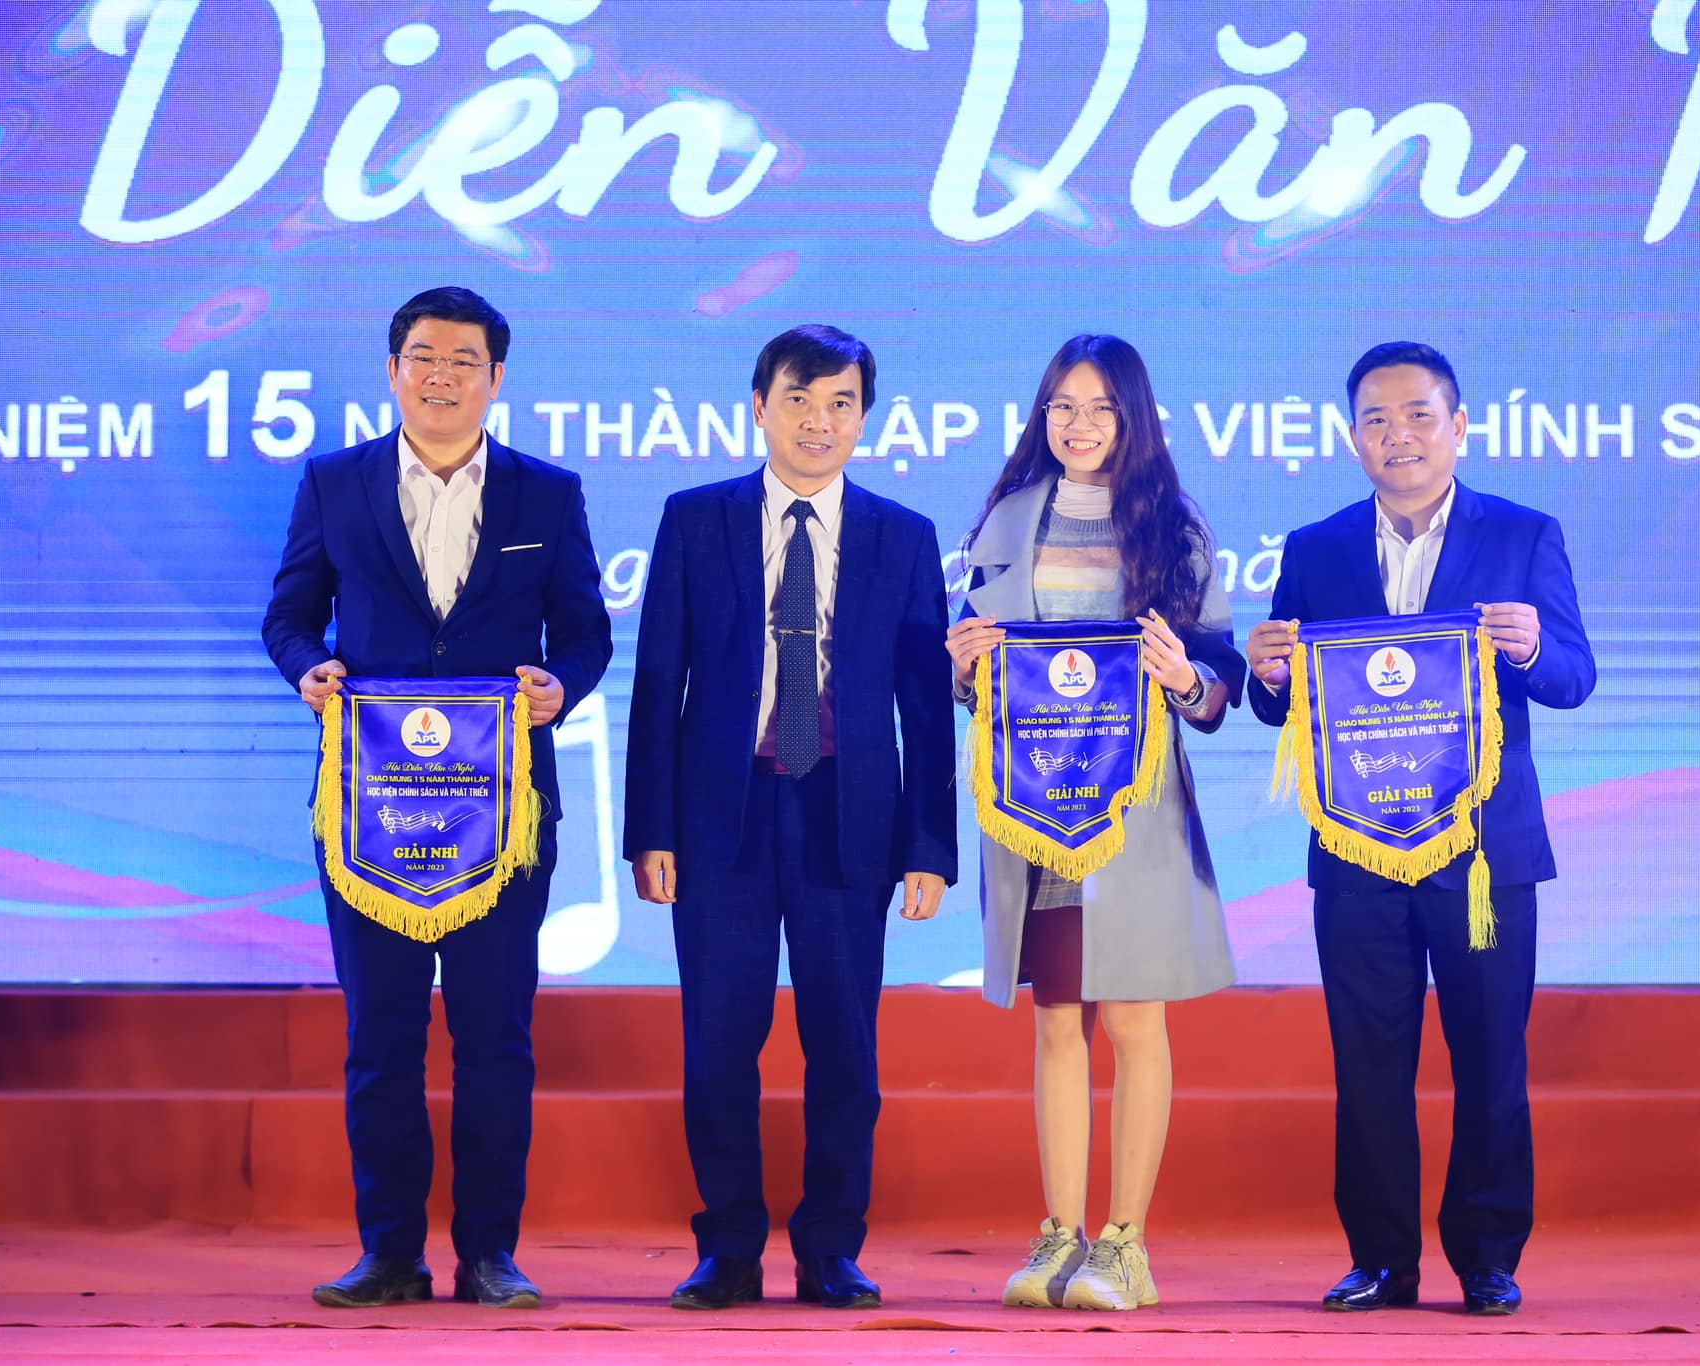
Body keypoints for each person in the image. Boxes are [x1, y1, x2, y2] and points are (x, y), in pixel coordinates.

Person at [262, 286, 614, 1310]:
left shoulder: (547, 494)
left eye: (464, 361)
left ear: (496, 379)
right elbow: (288, 616)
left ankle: (490, 1255)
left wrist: (561, 685)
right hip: (369, 811)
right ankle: (388, 1254)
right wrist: (307, 668)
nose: (441, 376)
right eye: (423, 357)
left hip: (501, 815)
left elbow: (585, 633)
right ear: (392, 371)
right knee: (380, 1039)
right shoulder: (335, 482)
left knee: (494, 1038)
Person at [1244, 341, 1595, 1316]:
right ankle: (1379, 1259)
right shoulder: (1314, 549)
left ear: (1458, 426)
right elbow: (1279, 701)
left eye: (1416, 415)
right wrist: (1266, 673)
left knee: (1490, 1059)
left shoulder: (1522, 534)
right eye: (1375, 419)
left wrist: (1532, 649)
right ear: (1351, 436)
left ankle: (1487, 1258)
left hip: (1482, 855)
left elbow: (1574, 677)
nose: (1396, 435)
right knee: (1366, 1066)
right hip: (1356, 850)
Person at [623, 324, 957, 1311]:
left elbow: (923, 706)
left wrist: (928, 846)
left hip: (847, 812)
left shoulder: (902, 535)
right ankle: (727, 1248)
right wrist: (651, 830)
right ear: (758, 407)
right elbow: (657, 683)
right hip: (719, 815)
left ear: (864, 418)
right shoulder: (696, 520)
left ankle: (829, 1249)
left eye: (839, 403)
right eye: (798, 400)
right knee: (719, 1040)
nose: (818, 420)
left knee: (844, 1044)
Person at [946, 335, 1242, 1312]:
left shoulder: (1171, 525)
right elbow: (979, 677)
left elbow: (1219, 678)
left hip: (1132, 807)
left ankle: (1125, 1245)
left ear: (1134, 417)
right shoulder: (1006, 519)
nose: (1078, 425)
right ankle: (1058, 1235)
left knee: (1131, 1016)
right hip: (1033, 805)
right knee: (1057, 1018)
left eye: (1101, 407)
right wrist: (963, 667)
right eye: (1062, 406)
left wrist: (1185, 675)